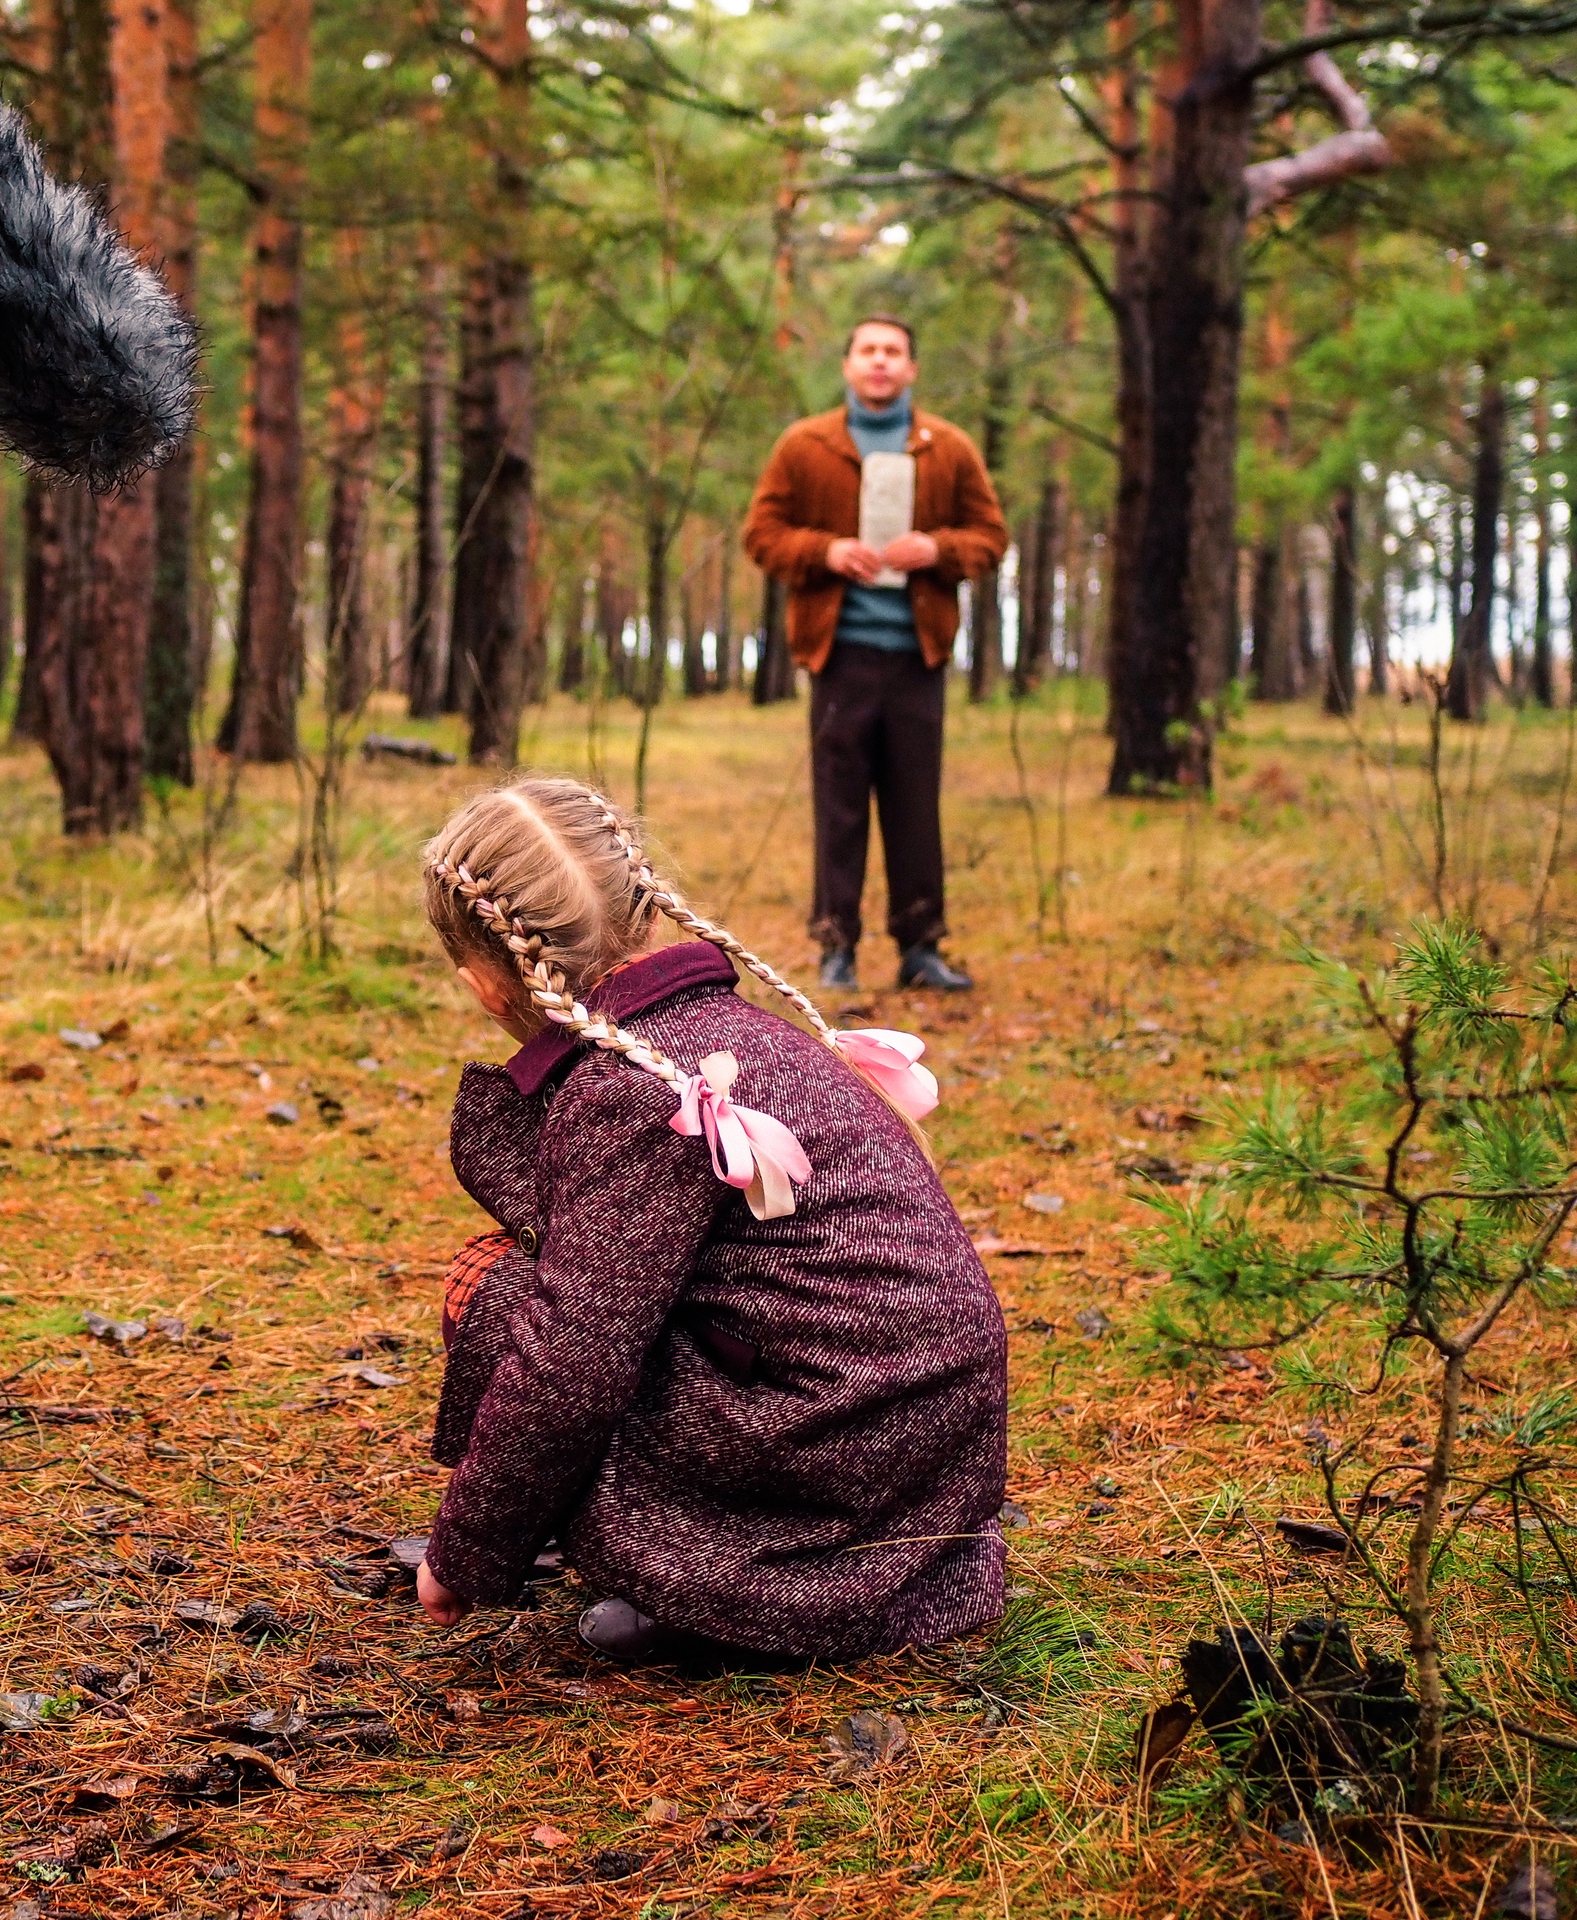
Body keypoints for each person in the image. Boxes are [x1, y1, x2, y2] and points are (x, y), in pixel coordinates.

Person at [411, 778, 1008, 1665]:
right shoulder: (735, 1035)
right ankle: (794, 1568)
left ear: (487, 988)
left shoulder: (631, 1090)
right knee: (571, 1303)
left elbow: (571, 1356)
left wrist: (463, 1553)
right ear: (644, 908)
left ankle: (738, 1592)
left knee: (498, 1295)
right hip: (922, 1452)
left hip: (832, 1447)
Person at [743, 317, 1006, 993]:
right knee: (840, 807)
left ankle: (921, 949)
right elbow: (762, 534)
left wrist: (939, 550)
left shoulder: (947, 448)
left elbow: (990, 537)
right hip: (840, 657)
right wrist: (824, 552)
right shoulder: (805, 446)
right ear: (848, 364)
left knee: (916, 805)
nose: (881, 362)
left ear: (912, 368)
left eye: (894, 352)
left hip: (918, 659)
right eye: (869, 351)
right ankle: (837, 950)